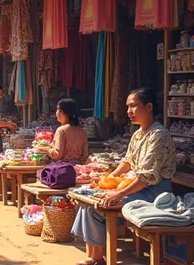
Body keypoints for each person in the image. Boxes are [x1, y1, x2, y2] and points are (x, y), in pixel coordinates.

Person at [72, 88, 175, 265]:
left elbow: (145, 178)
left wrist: (118, 194)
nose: (129, 111)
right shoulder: (138, 134)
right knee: (86, 201)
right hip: (136, 185)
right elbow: (127, 162)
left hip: (154, 192)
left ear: (148, 107)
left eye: (134, 106)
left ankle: (98, 258)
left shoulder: (158, 135)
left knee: (97, 206)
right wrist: (106, 180)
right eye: (127, 106)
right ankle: (94, 257)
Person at [49, 98, 89, 165]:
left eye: (57, 110)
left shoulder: (61, 130)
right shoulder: (82, 132)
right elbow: (85, 156)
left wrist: (47, 150)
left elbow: (57, 155)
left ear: (62, 112)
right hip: (78, 168)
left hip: (63, 168)